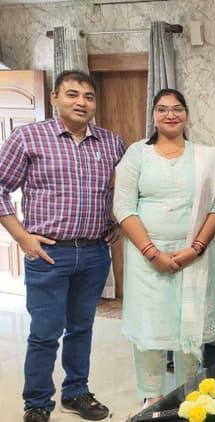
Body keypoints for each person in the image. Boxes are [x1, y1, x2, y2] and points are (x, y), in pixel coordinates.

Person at [0, 70, 126, 422]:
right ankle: (37, 402)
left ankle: (76, 393)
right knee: (45, 332)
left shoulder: (112, 143)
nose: (81, 102)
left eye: (89, 97)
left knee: (81, 328)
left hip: (95, 252)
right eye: (72, 94)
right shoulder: (28, 137)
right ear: (54, 97)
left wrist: (119, 223)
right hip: (48, 253)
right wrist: (22, 236)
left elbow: (131, 188)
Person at [113, 88, 215, 407]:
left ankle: (189, 392)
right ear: (153, 115)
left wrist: (196, 248)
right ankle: (152, 395)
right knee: (150, 326)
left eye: (177, 108)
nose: (170, 114)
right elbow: (123, 207)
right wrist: (152, 253)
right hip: (146, 260)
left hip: (194, 258)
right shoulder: (137, 154)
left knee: (190, 324)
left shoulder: (204, 156)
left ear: (186, 114)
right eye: (162, 109)